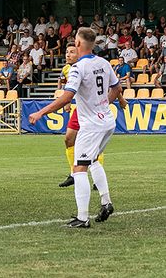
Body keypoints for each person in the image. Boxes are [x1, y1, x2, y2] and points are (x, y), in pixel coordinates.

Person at [29, 27, 122, 228]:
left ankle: (82, 218)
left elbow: (67, 96)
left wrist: (40, 112)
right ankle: (106, 202)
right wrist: (105, 103)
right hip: (107, 122)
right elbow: (117, 87)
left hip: (91, 126)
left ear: (78, 44)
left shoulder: (78, 68)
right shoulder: (104, 63)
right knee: (94, 161)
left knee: (79, 169)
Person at [58, 45, 128, 188]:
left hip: (93, 109)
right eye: (66, 52)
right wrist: (67, 102)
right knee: (68, 139)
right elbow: (69, 88)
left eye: (71, 52)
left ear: (79, 52)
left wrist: (120, 98)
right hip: (80, 109)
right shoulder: (66, 69)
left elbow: (113, 85)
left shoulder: (89, 66)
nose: (68, 55)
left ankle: (96, 180)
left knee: (94, 147)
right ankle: (73, 173)